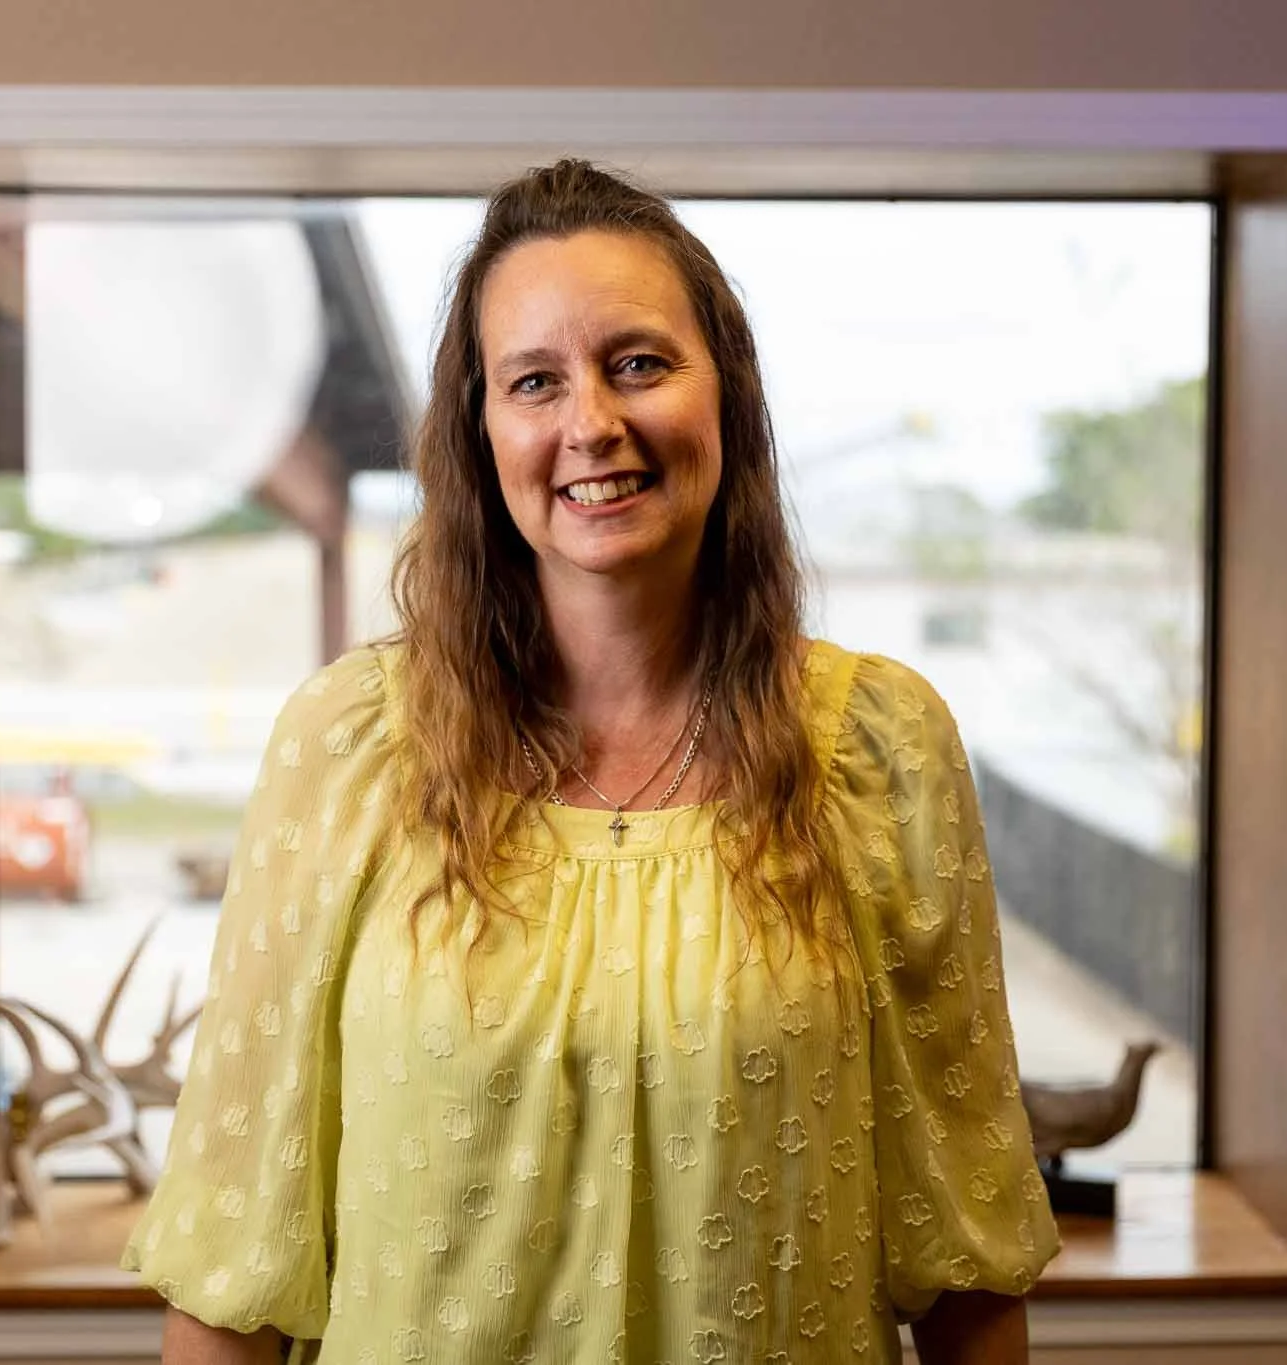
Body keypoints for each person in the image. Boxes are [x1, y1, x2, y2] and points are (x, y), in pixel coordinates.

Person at [123, 159, 1059, 1365]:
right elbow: (232, 1265)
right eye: (533, 382)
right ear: (481, 433)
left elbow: (965, 1260)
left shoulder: (879, 747)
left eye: (637, 363)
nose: (591, 426)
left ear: (725, 396)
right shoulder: (348, 746)